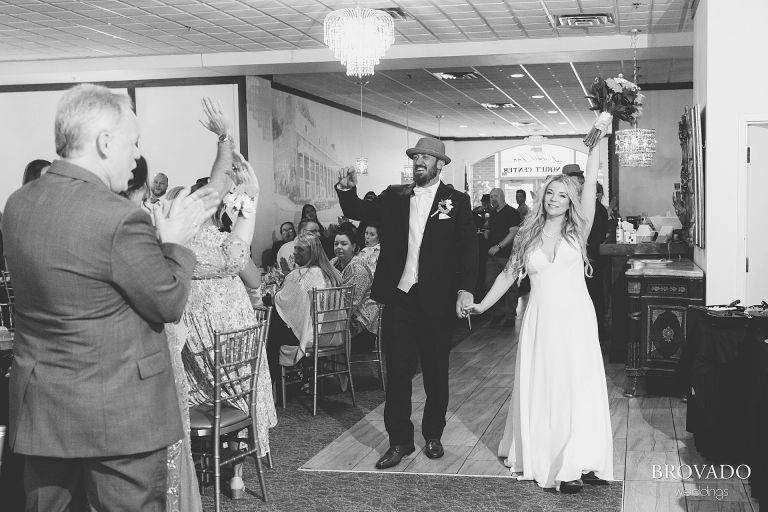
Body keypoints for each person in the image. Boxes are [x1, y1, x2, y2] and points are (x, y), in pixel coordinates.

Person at [1, 83, 219, 511]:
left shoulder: (18, 205)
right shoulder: (118, 218)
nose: (137, 156)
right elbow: (168, 302)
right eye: (133, 142)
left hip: (44, 411)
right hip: (119, 417)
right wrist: (175, 243)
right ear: (104, 142)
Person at [466, 144, 612, 493]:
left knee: (578, 388)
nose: (555, 198)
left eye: (563, 194)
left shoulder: (580, 230)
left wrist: (595, 145)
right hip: (540, 322)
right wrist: (483, 306)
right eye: (550, 192)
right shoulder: (527, 235)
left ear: (571, 200)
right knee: (547, 388)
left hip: (576, 320)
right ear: (542, 196)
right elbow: (507, 277)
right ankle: (553, 457)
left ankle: (582, 458)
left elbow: (589, 185)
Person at [336, 136, 478, 470]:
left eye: (426, 158)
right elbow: (359, 211)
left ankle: (433, 435)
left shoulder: (456, 201)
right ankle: (400, 441)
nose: (419, 162)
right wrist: (345, 191)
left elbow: (469, 249)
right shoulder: (394, 196)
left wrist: (466, 289)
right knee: (397, 373)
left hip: (437, 300)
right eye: (416, 157)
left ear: (439, 164)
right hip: (399, 298)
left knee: (434, 374)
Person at [266, 233, 342, 381]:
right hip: (332, 333)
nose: (294, 253)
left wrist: (272, 296)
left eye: (300, 250)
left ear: (312, 252)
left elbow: (283, 303)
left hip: (311, 336)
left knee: (271, 329)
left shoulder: (300, 274)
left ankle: (272, 382)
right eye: (295, 249)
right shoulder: (332, 273)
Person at [330, 223, 378, 343]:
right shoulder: (334, 262)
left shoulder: (358, 269)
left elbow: (349, 306)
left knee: (312, 332)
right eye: (336, 244)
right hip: (340, 319)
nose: (339, 247)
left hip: (361, 327)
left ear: (354, 246)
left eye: (344, 244)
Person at [485, 188, 521, 327]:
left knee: (510, 285)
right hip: (493, 256)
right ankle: (498, 312)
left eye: (495, 196)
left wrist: (499, 246)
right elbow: (490, 226)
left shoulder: (512, 212)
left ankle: (510, 315)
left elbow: (513, 233)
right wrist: (487, 230)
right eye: (491, 197)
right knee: (489, 284)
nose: (493, 199)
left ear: (502, 196)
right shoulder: (493, 214)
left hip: (508, 255)